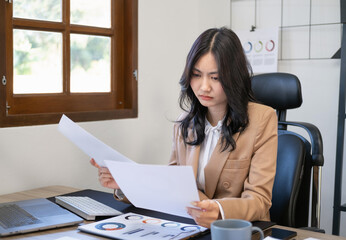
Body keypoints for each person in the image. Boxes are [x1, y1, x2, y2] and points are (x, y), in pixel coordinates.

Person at [91, 27, 278, 229]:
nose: (203, 86)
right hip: (189, 226)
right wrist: (125, 184)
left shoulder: (262, 119)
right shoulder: (184, 124)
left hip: (237, 231)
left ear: (234, 77)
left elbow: (259, 200)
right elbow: (169, 186)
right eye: (197, 75)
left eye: (215, 78)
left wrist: (218, 209)